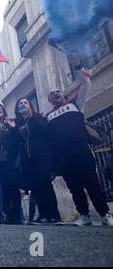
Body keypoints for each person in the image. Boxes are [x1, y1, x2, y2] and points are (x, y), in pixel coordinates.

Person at [46, 58, 113, 227]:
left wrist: (77, 66)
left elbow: (86, 83)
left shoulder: (75, 104)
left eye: (57, 92)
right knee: (74, 187)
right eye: (52, 93)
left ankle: (104, 214)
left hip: (81, 149)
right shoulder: (48, 116)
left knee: (92, 182)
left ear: (63, 94)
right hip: (63, 156)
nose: (55, 94)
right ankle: (84, 215)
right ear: (49, 100)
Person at [15, 98, 62, 225]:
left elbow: (47, 134)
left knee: (46, 184)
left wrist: (34, 117)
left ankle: (55, 216)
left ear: (30, 106)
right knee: (35, 187)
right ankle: (43, 215)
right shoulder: (18, 124)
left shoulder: (38, 118)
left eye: (25, 102)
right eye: (20, 103)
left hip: (42, 156)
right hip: (28, 160)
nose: (23, 104)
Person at [0, 103, 22, 224]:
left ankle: (17, 216)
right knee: (3, 189)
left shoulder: (11, 122)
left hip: (11, 160)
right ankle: (7, 215)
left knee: (13, 188)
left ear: (3, 111)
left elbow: (17, 140)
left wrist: (12, 128)